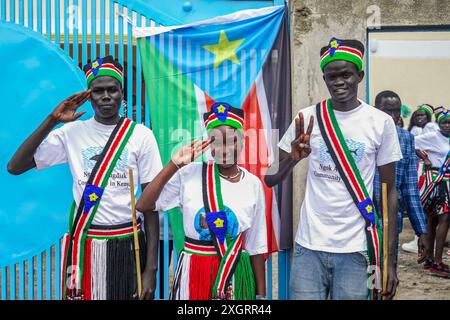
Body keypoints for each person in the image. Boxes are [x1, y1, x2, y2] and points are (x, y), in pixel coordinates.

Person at [7, 55, 162, 300]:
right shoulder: (71, 133)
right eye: (98, 91)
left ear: (122, 93)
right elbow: (16, 166)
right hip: (84, 244)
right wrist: (52, 120)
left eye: (112, 89)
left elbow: (152, 208)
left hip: (128, 242)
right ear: (89, 96)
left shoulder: (141, 136)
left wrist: (151, 270)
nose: (106, 96)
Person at [265, 38, 402, 300]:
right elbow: (270, 177)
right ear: (325, 79)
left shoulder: (380, 123)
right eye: (332, 77)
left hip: (356, 250)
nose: (339, 82)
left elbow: (389, 191)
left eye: (346, 75)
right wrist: (293, 158)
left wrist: (389, 263)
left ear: (360, 76)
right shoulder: (306, 118)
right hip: (308, 248)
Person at [136, 103, 267, 300]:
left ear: (241, 142)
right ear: (209, 144)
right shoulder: (190, 174)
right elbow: (143, 205)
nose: (224, 149)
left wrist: (260, 296)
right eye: (216, 142)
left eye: (231, 141)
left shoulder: (252, 184)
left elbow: (256, 245)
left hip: (235, 272)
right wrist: (175, 164)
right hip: (194, 273)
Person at [373, 90, 429, 264]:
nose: (393, 116)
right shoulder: (364, 135)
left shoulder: (406, 139)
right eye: (386, 110)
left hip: (391, 222)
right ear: (375, 110)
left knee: (387, 276)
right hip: (363, 221)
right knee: (365, 280)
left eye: (396, 110)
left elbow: (410, 188)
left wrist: (421, 231)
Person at [415, 107, 450, 277]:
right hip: (436, 182)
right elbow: (411, 142)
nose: (447, 126)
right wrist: (424, 158)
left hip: (447, 182)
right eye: (444, 122)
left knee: (435, 220)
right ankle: (436, 261)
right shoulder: (432, 136)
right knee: (442, 219)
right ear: (438, 123)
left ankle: (430, 259)